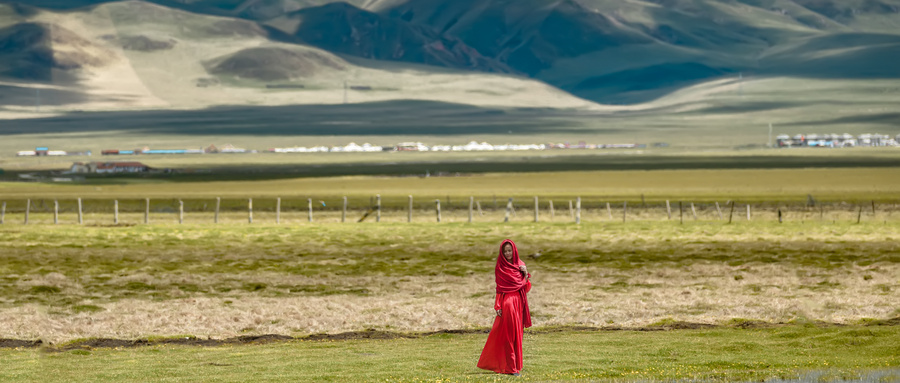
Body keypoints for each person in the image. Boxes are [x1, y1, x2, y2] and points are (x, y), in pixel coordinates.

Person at [477, 239, 532, 376]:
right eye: (505, 251)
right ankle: (511, 368)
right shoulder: (500, 267)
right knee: (509, 335)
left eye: (509, 250)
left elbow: (526, 288)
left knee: (517, 335)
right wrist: (498, 305)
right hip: (507, 302)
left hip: (519, 303)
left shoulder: (521, 265)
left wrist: (525, 274)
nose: (508, 253)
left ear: (514, 250)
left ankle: (515, 366)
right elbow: (499, 289)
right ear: (502, 253)